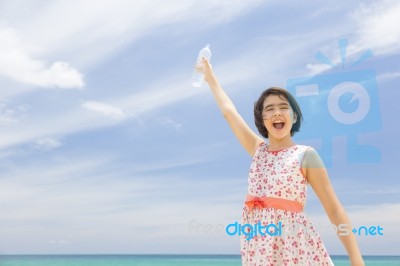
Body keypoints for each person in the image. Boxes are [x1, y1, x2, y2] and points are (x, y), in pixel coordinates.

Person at [196, 58, 365, 266]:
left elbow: (334, 208)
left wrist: (356, 260)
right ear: (262, 119)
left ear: (294, 117)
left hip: (296, 249)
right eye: (269, 109)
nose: (277, 112)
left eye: (284, 107)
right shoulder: (258, 151)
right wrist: (211, 79)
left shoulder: (306, 155)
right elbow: (229, 113)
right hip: (258, 248)